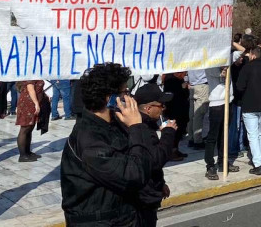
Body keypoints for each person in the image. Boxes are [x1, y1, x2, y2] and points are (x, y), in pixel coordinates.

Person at [60, 63, 153, 227]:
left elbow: (142, 158)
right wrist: (136, 127)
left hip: (122, 217)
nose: (129, 97)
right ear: (109, 99)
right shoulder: (90, 140)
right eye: (125, 92)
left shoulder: (112, 124)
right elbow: (134, 175)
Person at [133, 83, 177, 227]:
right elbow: (156, 160)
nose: (164, 108)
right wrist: (168, 133)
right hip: (143, 198)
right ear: (148, 108)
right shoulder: (142, 130)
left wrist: (161, 183)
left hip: (149, 192)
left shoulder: (146, 125)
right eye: (161, 105)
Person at [236, 46, 261, 176]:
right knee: (259, 133)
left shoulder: (246, 68)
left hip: (249, 106)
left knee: (253, 135)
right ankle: (258, 156)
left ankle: (257, 163)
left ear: (253, 55)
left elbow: (240, 86)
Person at [204, 66, 239, 180]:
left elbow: (241, 52)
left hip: (228, 101)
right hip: (216, 104)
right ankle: (210, 165)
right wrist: (224, 67)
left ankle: (222, 161)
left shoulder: (227, 59)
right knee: (213, 136)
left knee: (224, 135)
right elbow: (223, 74)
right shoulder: (210, 66)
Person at [162, 72, 190, 160]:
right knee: (173, 130)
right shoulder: (170, 80)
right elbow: (171, 95)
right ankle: (171, 151)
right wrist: (183, 88)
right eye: (183, 73)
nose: (184, 75)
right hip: (173, 109)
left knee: (180, 130)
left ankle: (176, 149)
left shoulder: (180, 80)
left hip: (181, 108)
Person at [15, 80, 45, 162]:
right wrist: (36, 103)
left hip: (33, 103)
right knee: (25, 128)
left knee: (30, 128)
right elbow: (30, 89)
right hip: (28, 103)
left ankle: (27, 152)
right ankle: (23, 155)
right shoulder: (30, 74)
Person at [186, 69, 209, 150]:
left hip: (192, 84)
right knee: (198, 115)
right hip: (202, 84)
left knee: (192, 114)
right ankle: (197, 140)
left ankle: (191, 138)